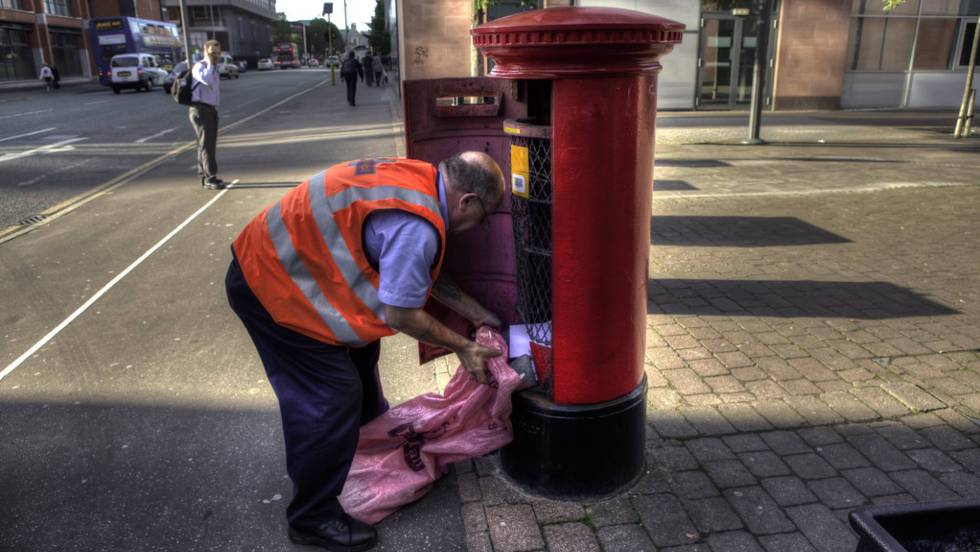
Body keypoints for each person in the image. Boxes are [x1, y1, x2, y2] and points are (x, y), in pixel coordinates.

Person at [226, 152, 506, 552]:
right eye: (483, 216)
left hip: (283, 263)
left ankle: (368, 443)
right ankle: (312, 517)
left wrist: (481, 316)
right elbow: (402, 315)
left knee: (361, 354)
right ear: (467, 201)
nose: (479, 227)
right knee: (331, 397)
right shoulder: (418, 227)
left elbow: (423, 271)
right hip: (269, 285)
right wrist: (464, 347)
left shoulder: (420, 180)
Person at [188, 39, 225, 190]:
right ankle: (210, 177)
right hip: (200, 109)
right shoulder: (200, 66)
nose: (215, 56)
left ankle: (205, 176)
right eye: (212, 53)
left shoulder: (214, 67)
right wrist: (209, 61)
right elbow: (208, 81)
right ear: (205, 51)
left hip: (209, 109)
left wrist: (213, 64)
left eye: (217, 53)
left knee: (206, 143)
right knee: (206, 144)